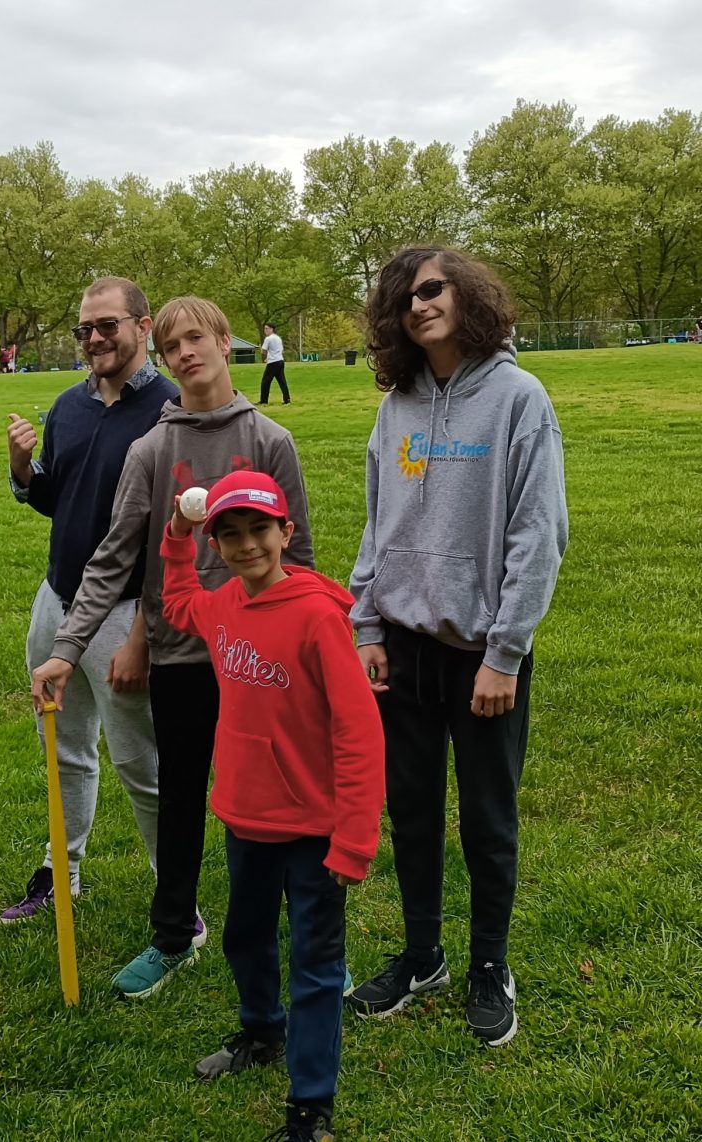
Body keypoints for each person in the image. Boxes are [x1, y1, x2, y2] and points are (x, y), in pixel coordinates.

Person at [31, 296, 314, 1000]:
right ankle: (172, 936)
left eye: (197, 339)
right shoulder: (152, 450)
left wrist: (303, 646)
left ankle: (293, 921)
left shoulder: (270, 439)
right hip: (184, 658)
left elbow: (301, 554)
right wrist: (67, 648)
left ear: (224, 342)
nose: (185, 353)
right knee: (182, 795)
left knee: (272, 798)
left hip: (259, 662)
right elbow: (113, 556)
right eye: (171, 346)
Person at [346, 245, 568, 1047]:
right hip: (402, 645)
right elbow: (378, 522)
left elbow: (538, 534)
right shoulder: (396, 406)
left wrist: (505, 652)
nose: (417, 305)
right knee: (410, 810)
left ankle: (488, 965)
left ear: (467, 295)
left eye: (432, 289)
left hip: (483, 654)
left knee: (486, 815)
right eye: (403, 296)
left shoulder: (518, 398)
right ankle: (421, 953)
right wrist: (366, 624)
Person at [161, 470, 384, 1142]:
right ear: (217, 546)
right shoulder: (224, 604)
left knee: (315, 967)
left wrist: (353, 841)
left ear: (287, 532)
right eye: (229, 536)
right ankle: (263, 1032)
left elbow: (359, 732)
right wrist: (176, 535)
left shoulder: (318, 617)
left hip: (314, 832)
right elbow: (178, 604)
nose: (247, 545)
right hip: (246, 818)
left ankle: (310, 1111)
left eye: (260, 530)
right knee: (245, 938)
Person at [1, 277, 176, 924]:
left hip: (126, 610)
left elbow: (174, 539)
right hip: (57, 597)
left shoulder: (171, 408)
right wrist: (23, 469)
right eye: (85, 330)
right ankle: (60, 872)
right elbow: (54, 498)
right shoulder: (68, 407)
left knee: (141, 762)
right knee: (62, 745)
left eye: (107, 326)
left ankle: (174, 894)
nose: (95, 339)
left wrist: (144, 631)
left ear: (143, 325)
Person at [258, 322, 290, 406]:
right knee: (282, 381)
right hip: (280, 361)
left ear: (272, 329)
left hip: (273, 362)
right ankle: (287, 399)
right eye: (264, 329)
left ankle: (263, 400)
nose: (265, 330)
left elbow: (263, 350)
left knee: (265, 381)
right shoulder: (278, 338)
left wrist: (266, 355)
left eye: (267, 328)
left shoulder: (268, 339)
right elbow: (281, 350)